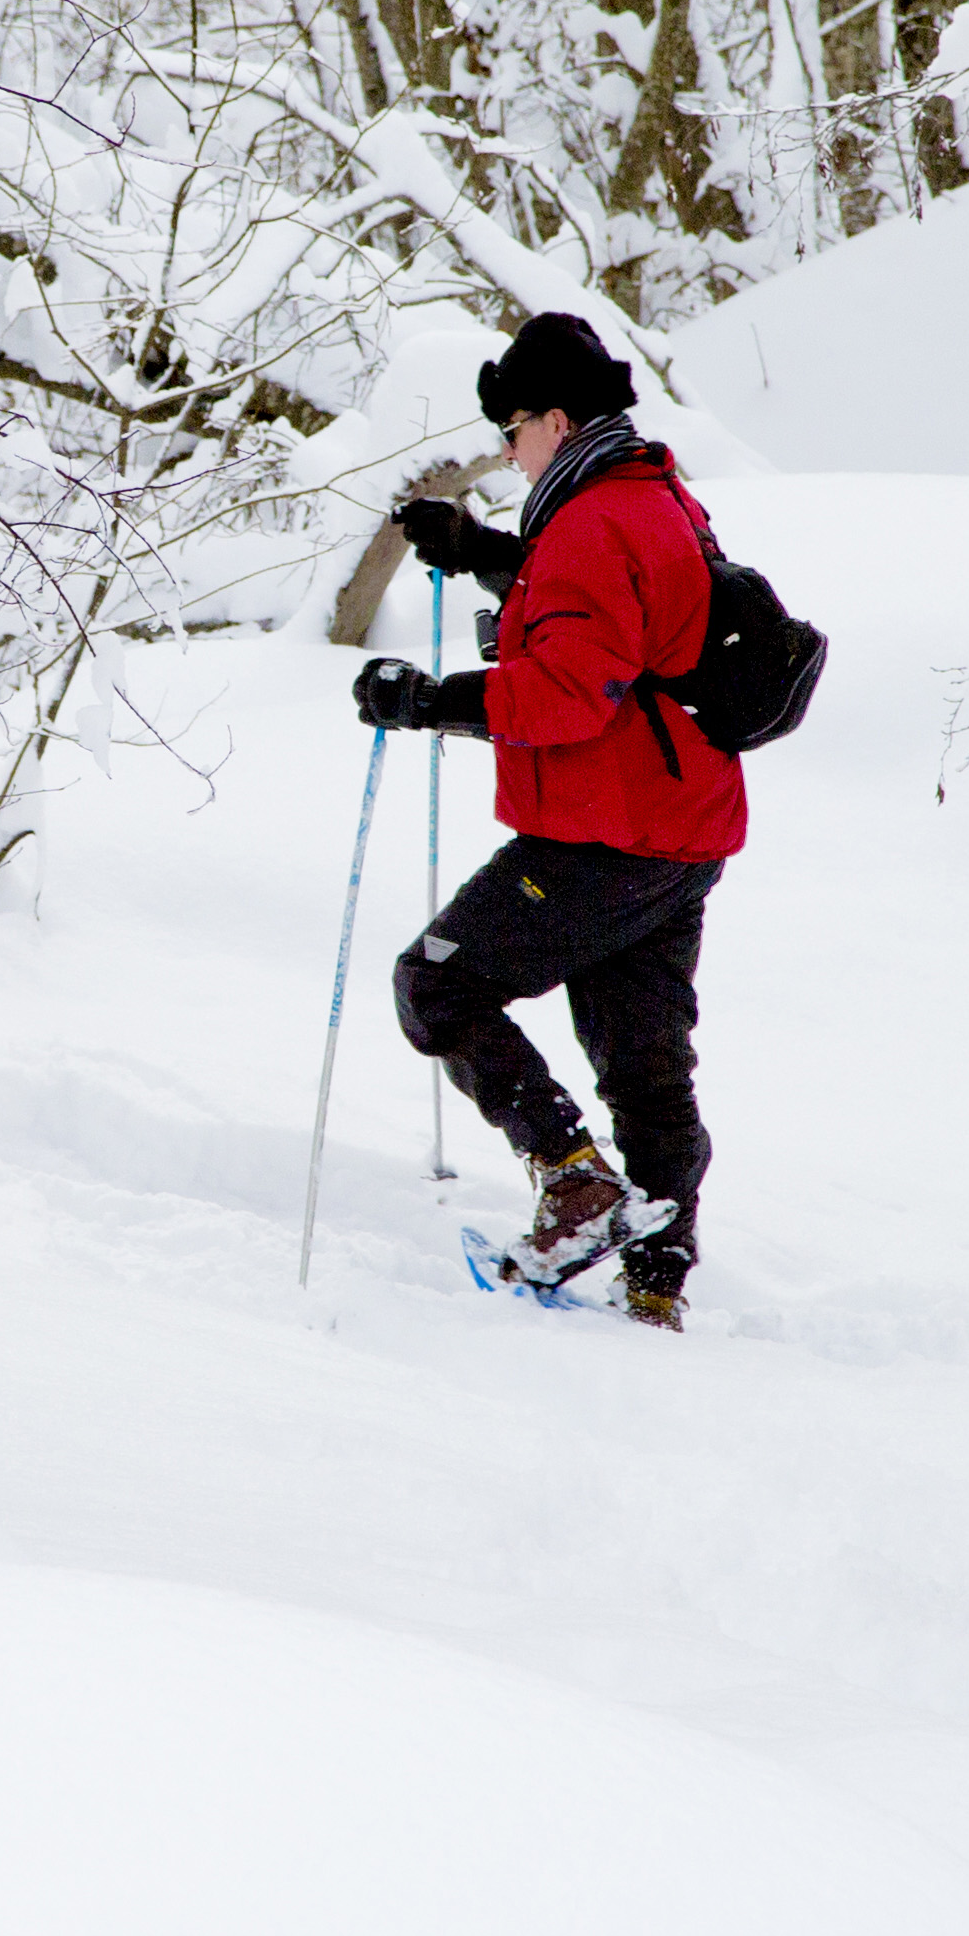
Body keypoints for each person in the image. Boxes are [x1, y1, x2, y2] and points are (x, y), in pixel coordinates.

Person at [351, 313, 738, 1328]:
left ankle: (574, 1181)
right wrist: (485, 552)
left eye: (514, 425)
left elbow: (569, 689)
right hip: (679, 828)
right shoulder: (654, 498)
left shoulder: (592, 521)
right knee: (643, 1057)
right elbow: (613, 613)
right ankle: (657, 1280)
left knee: (436, 980)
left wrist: (431, 702)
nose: (510, 447)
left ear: (557, 421)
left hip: (600, 831)